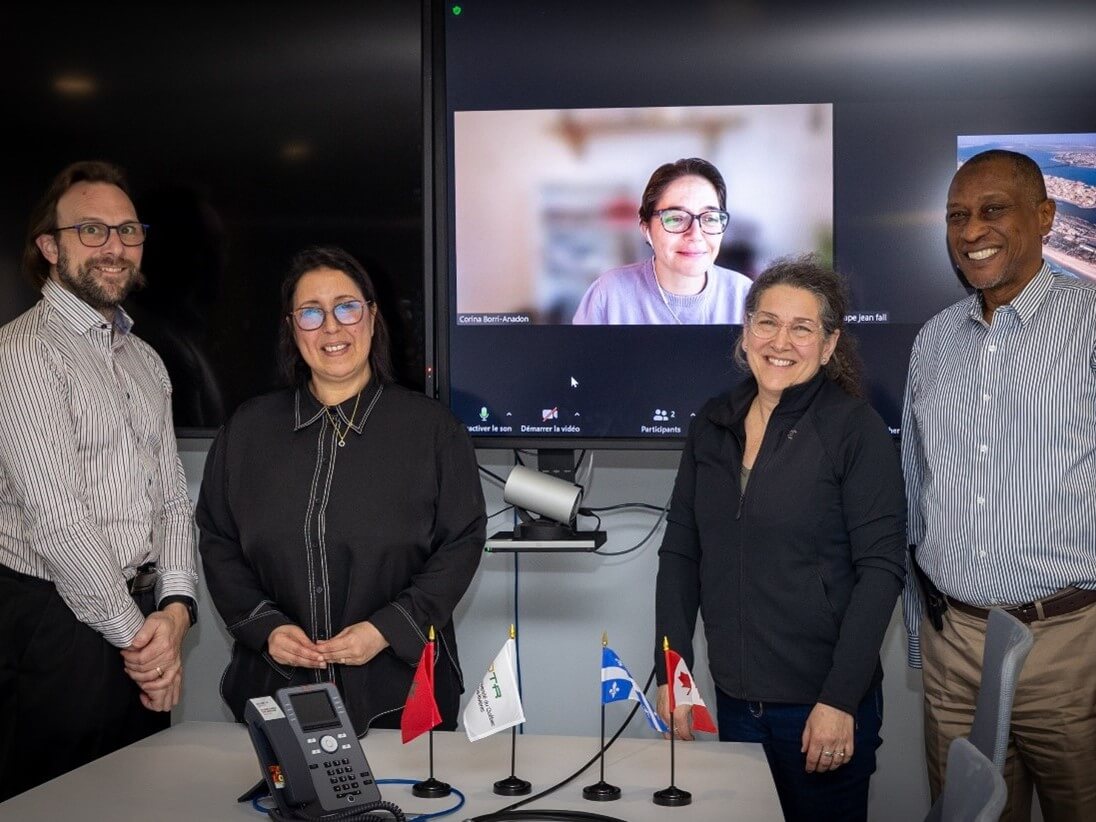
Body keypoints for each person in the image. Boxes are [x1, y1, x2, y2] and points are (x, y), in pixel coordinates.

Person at [655, 255, 906, 821]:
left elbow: (881, 571)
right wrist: (672, 670)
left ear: (829, 343)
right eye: (767, 322)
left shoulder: (855, 430)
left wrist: (839, 700)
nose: (780, 341)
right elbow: (680, 553)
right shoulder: (711, 425)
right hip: (736, 700)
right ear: (745, 333)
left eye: (802, 327)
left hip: (821, 706)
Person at [196, 245, 486, 733]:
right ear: (292, 329)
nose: (332, 327)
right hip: (276, 691)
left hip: (401, 695)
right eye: (311, 313)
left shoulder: (433, 431)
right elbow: (218, 540)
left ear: (372, 318)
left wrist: (386, 630)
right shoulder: (246, 431)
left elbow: (462, 543)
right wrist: (266, 627)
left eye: (347, 307)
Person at [902, 149, 1096, 821]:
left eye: (993, 210)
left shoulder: (1090, 321)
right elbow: (915, 491)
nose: (971, 231)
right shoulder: (931, 343)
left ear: (1044, 217)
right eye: (957, 216)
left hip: (1068, 652)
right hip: (955, 649)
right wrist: (920, 635)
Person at [0, 160, 199, 801]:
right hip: (55, 629)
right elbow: (59, 524)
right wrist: (146, 645)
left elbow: (171, 499)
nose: (115, 246)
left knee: (140, 801)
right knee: (58, 807)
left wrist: (174, 611)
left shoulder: (144, 359)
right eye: (91, 230)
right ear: (50, 247)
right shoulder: (23, 352)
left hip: (137, 620)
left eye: (128, 230)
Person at [572, 157, 751, 324]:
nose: (695, 234)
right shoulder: (609, 294)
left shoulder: (744, 296)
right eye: (676, 218)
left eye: (710, 218)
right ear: (645, 228)